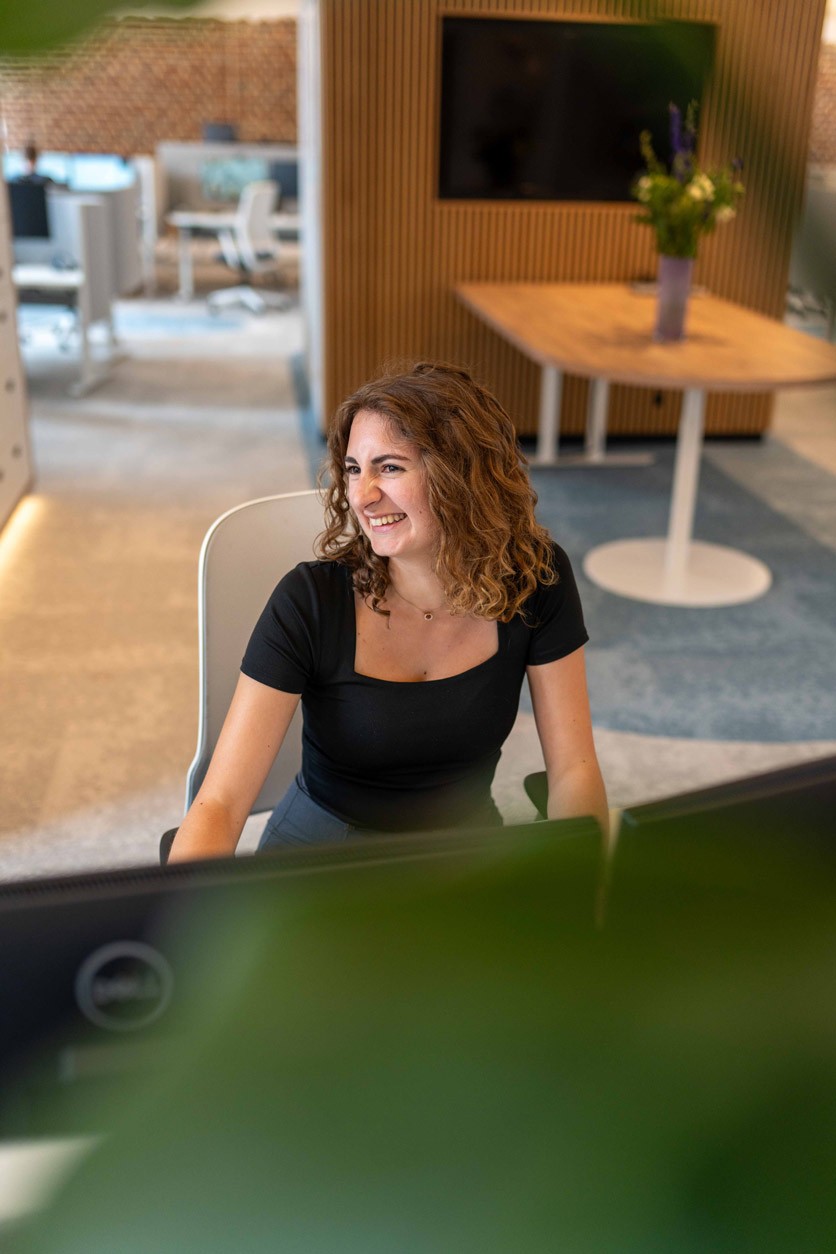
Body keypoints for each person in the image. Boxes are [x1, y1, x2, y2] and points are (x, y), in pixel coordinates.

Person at [169, 362, 608, 861]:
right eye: (354, 469)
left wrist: (587, 888)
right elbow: (220, 804)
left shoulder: (534, 578)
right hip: (323, 853)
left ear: (462, 475)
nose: (361, 495)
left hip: (464, 851)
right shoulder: (310, 602)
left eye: (390, 467)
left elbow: (574, 770)